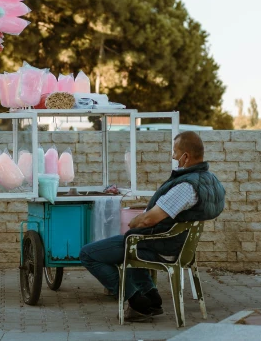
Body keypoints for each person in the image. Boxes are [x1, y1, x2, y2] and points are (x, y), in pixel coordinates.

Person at [79, 131, 225, 322]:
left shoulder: (187, 187)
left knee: (88, 254)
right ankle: (152, 299)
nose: (174, 157)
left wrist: (135, 221)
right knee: (133, 247)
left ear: (186, 156)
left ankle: (136, 301)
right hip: (177, 243)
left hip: (162, 243)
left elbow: (149, 220)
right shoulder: (209, 179)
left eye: (175, 152)